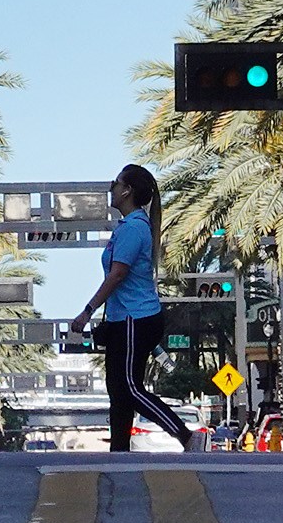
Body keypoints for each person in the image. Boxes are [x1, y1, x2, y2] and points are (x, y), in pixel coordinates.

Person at [70, 163, 197, 453]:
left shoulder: (134, 229)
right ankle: (119, 451)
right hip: (124, 319)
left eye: (115, 183)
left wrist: (87, 310)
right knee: (119, 391)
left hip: (135, 319)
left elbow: (117, 274)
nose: (111, 189)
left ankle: (185, 435)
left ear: (127, 191)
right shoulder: (130, 227)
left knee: (129, 386)